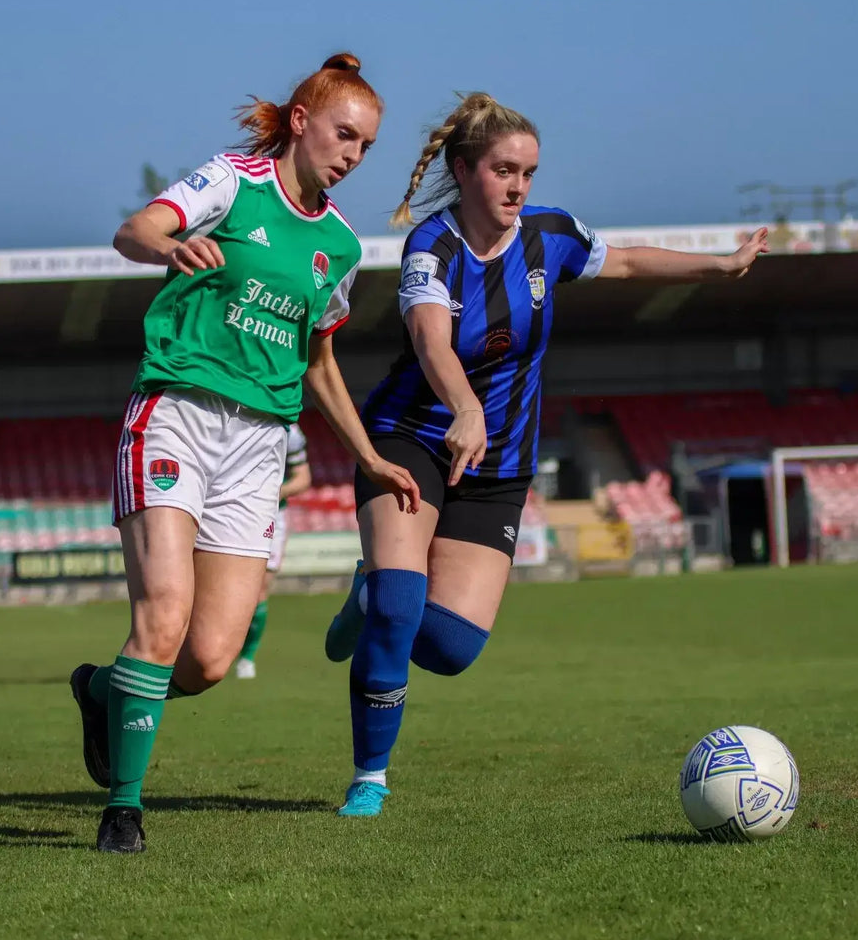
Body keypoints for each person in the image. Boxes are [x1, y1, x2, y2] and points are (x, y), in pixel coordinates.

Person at [321, 93, 769, 817]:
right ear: (464, 169)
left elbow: (623, 261)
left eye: (528, 172)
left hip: (497, 468)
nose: (517, 186)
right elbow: (432, 338)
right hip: (410, 439)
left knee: (452, 649)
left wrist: (719, 266)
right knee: (403, 604)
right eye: (503, 170)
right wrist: (464, 407)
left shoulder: (549, 237)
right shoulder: (430, 246)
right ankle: (370, 777)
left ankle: (366, 593)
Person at [67, 53, 420, 854]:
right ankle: (125, 810)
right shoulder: (234, 181)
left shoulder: (338, 245)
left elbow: (319, 361)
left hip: (261, 444)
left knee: (209, 659)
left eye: (365, 145)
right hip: (177, 415)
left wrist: (366, 457)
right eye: (343, 135)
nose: (352, 155)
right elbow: (135, 230)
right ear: (301, 122)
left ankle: (99, 691)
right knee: (161, 618)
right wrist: (170, 247)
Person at [233, 422, 311, 680]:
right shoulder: (233, 415)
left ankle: (247, 657)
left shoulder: (290, 429)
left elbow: (303, 478)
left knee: (258, 593)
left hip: (272, 518)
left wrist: (272, 492)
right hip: (232, 513)